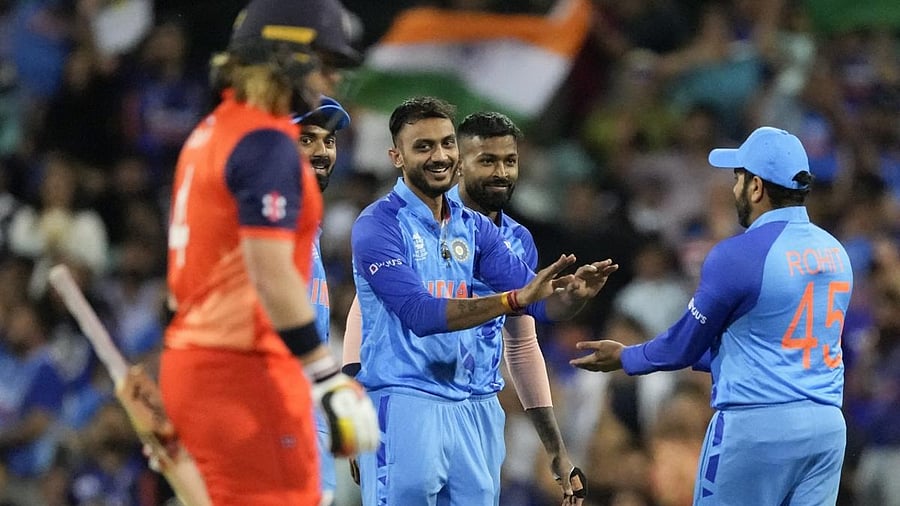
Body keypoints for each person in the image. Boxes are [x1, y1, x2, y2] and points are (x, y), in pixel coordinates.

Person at [349, 96, 618, 505]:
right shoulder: (378, 224)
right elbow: (417, 314)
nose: (439, 156)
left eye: (445, 144)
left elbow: (536, 310)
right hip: (406, 400)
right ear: (396, 156)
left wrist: (571, 296)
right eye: (423, 146)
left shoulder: (478, 229)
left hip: (476, 408)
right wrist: (352, 416)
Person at [159, 1, 377, 504]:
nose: (333, 79)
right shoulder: (269, 144)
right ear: (286, 56)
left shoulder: (211, 132)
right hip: (249, 374)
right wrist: (328, 379)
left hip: (202, 365)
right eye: (325, 63)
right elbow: (271, 273)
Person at [570, 126, 854, 505]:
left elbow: (682, 346)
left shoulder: (738, 255)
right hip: (826, 427)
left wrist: (625, 356)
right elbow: (766, 341)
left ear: (756, 187)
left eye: (738, 178)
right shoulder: (836, 253)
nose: (733, 189)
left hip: (756, 427)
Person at [294, 95, 351, 506]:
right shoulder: (266, 222)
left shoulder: (309, 225)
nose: (322, 151)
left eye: (328, 141)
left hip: (308, 420)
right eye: (306, 139)